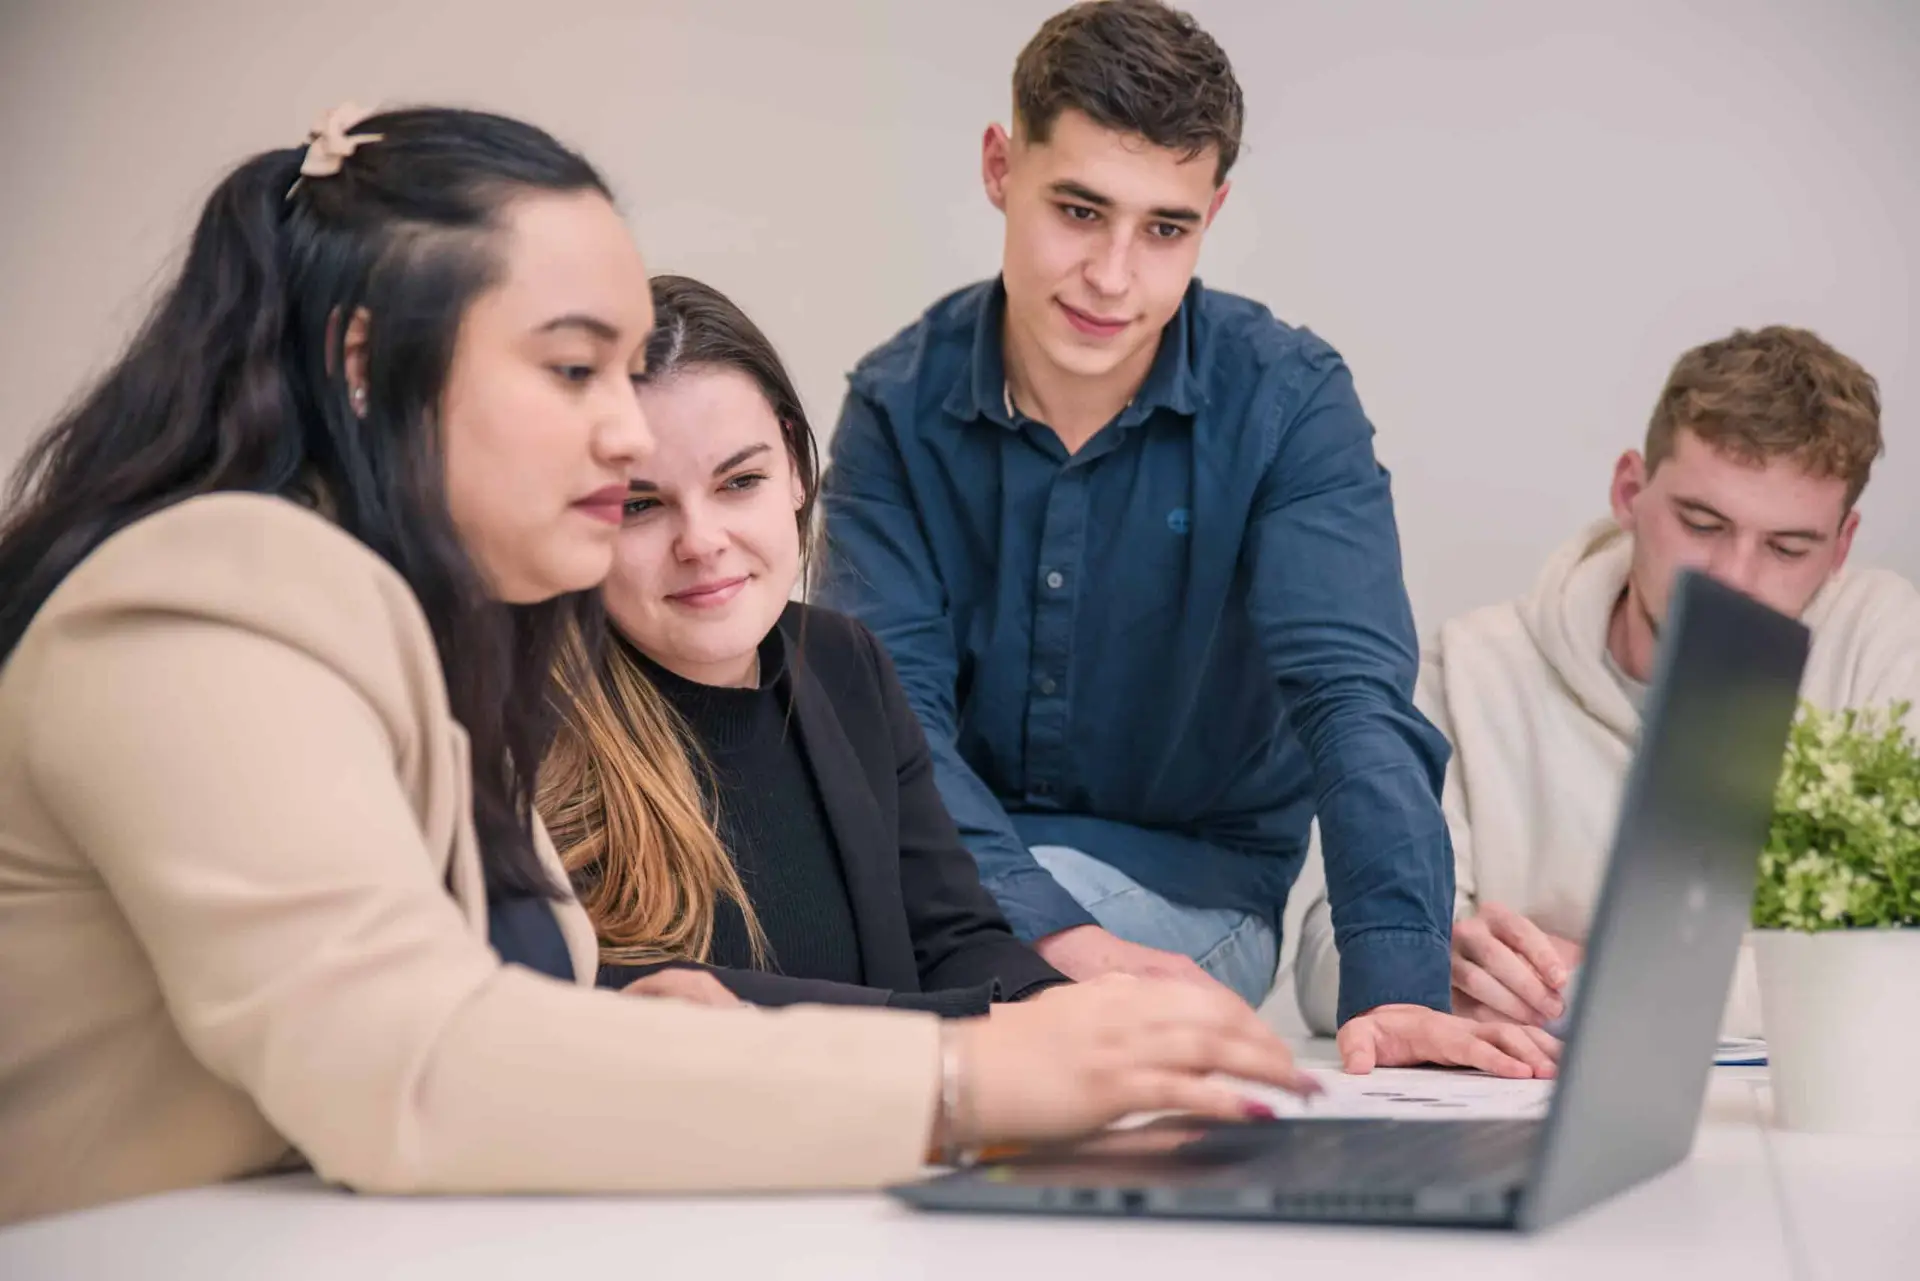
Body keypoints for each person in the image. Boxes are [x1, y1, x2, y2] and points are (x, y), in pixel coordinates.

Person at [0, 104, 1323, 1227]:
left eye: (629, 373)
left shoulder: (432, 632)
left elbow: (543, 1025)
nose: (626, 432)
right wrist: (966, 1081)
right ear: (366, 367)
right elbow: (411, 1065)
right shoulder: (209, 601)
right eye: (576, 369)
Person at [817, 0, 1549, 1076]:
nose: (1115, 276)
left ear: (1214, 211)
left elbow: (1351, 701)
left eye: (1166, 228)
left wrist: (1397, 988)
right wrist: (1051, 939)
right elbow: (893, 718)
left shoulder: (1288, 403)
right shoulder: (894, 404)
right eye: (1078, 209)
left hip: (1185, 887)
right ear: (997, 167)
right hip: (940, 868)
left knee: (853, 973)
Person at [1294, 325, 1920, 1037]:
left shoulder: (1881, 645)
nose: (1734, 579)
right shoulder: (1473, 669)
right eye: (1703, 523)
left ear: (1840, 546)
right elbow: (1322, 965)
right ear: (1631, 490)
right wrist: (1428, 965)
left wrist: (1598, 980)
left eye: (1787, 546)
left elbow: (1896, 970)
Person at [539, 274, 1068, 1017]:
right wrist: (970, 1034)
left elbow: (954, 937)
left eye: (739, 481)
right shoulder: (530, 718)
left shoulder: (844, 660)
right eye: (640, 505)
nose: (702, 541)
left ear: (794, 466)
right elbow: (632, 996)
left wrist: (1064, 1010)